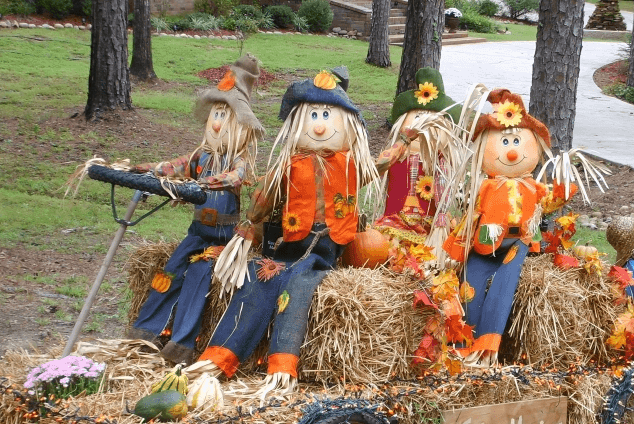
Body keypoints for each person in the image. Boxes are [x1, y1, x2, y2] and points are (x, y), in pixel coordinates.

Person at [183, 67, 380, 400]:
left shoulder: (350, 164)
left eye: (326, 116)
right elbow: (264, 197)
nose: (320, 126)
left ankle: (281, 365)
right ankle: (221, 356)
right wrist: (250, 225)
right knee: (259, 277)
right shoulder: (289, 164)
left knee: (299, 286)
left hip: (325, 248)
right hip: (290, 244)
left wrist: (405, 142)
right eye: (313, 116)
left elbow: (381, 164)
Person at [125, 54, 265, 365]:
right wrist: (143, 169)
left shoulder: (237, 160)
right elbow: (174, 166)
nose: (216, 123)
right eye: (216, 114)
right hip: (196, 232)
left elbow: (235, 178)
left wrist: (203, 185)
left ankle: (181, 345)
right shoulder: (200, 157)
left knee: (198, 277)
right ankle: (145, 333)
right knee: (170, 270)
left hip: (222, 237)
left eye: (224, 116)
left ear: (239, 126)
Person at [444, 89, 578, 367]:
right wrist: (457, 247)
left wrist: (563, 192)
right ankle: (463, 343)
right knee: (471, 282)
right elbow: (472, 215)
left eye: (517, 141)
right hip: (486, 244)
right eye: (504, 142)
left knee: (506, 281)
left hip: (519, 243)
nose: (512, 150)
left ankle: (487, 344)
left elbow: (548, 203)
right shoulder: (486, 187)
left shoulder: (533, 187)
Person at [373, 67, 463, 272]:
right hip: (395, 222)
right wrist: (403, 143)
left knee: (427, 259)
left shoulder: (440, 163)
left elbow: (447, 195)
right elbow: (377, 168)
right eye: (417, 118)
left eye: (431, 121)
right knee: (388, 253)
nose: (423, 127)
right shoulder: (397, 156)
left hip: (427, 226)